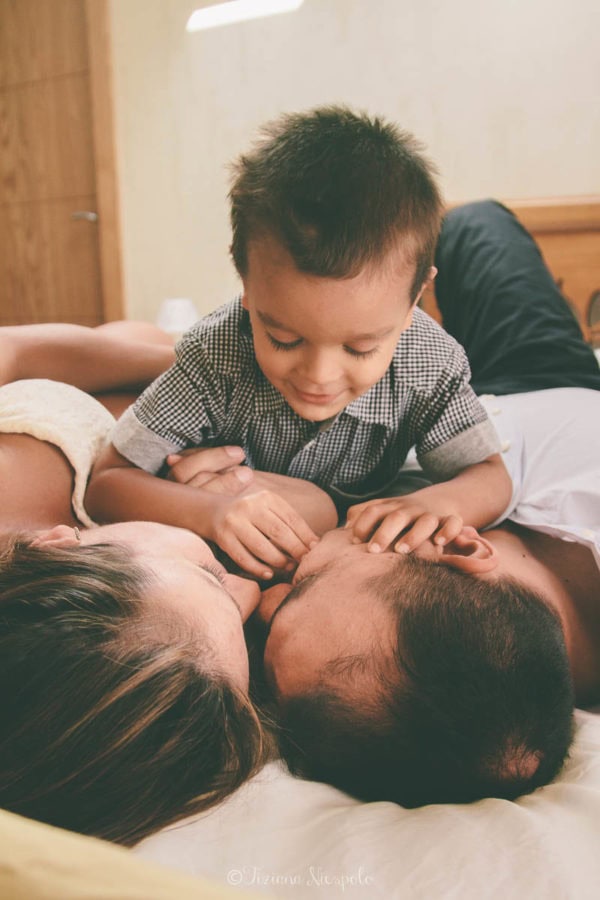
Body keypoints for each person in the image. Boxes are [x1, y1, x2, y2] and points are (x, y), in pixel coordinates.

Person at [258, 200, 600, 808]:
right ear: (460, 542)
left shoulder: (376, 638)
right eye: (303, 582)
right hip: (547, 387)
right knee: (474, 223)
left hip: (425, 431)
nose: (262, 595)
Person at [87, 106, 512, 581]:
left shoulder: (428, 362)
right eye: (284, 338)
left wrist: (435, 502)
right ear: (245, 281)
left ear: (416, 298)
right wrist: (207, 512)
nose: (319, 375)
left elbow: (491, 477)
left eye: (360, 348)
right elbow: (107, 482)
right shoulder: (217, 353)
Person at [0, 323, 326, 845]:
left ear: (59, 542)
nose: (253, 593)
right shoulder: (150, 638)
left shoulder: (16, 478)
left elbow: (12, 348)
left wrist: (217, 369)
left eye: (211, 575)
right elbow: (322, 507)